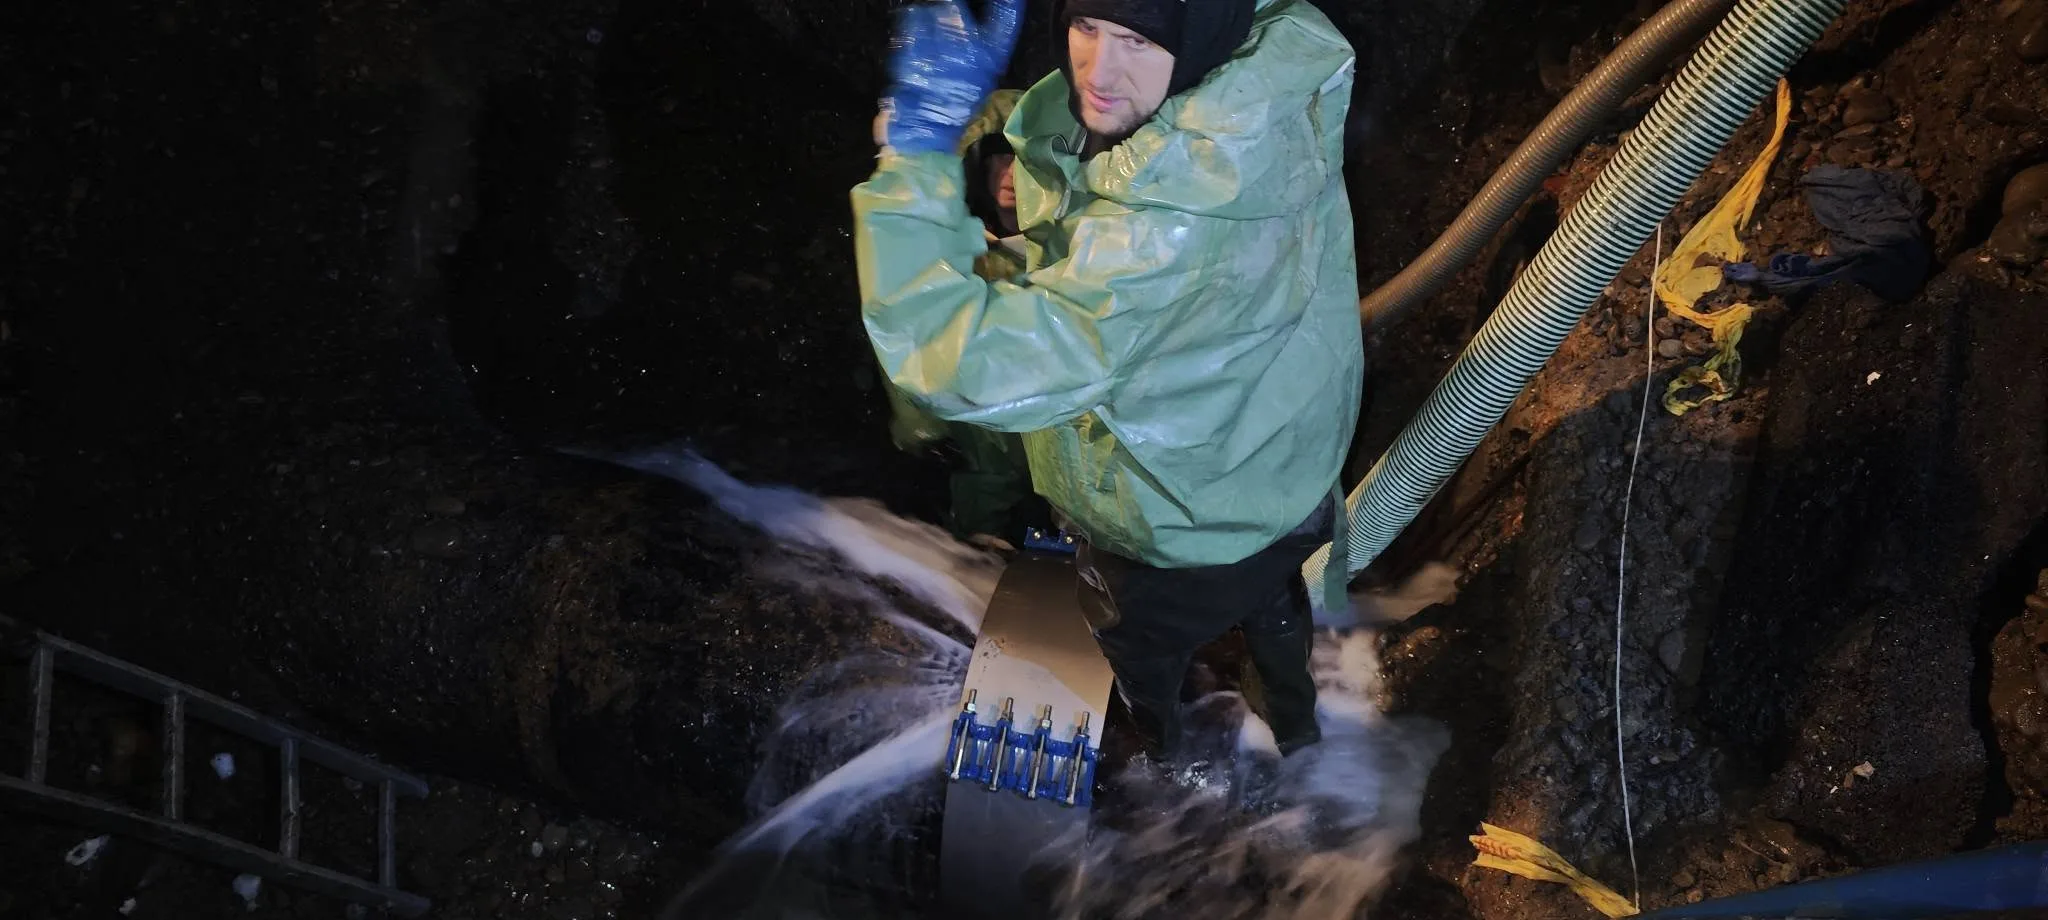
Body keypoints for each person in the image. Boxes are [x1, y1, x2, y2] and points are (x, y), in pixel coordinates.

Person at [853, 0, 1362, 760]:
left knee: (1138, 651)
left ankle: (1177, 758)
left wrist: (913, 162)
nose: (1098, 69)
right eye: (1086, 26)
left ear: (1191, 42)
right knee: (1270, 594)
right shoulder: (1264, 97)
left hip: (1176, 521)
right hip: (1282, 471)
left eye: (1136, 40)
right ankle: (1298, 726)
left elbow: (949, 362)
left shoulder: (1167, 230)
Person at [881, 89, 1041, 552]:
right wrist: (922, 424)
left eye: (1025, 159)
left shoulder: (1079, 251)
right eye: (999, 158)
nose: (1011, 172)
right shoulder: (956, 251)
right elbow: (908, 328)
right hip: (983, 449)